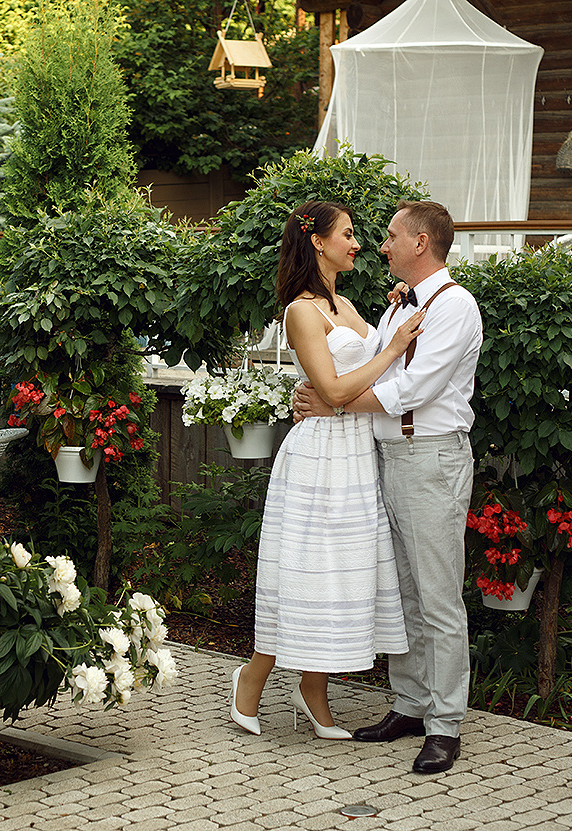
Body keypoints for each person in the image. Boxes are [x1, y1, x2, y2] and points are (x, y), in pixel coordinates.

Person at [293, 199, 483, 773]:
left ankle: (446, 726)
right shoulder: (402, 306)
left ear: (421, 243)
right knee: (402, 592)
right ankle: (411, 704)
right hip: (385, 455)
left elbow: (414, 389)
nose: (382, 245)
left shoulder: (455, 307)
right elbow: (373, 367)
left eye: (393, 236)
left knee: (439, 598)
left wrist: (330, 408)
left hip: (430, 461)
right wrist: (337, 398)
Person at [230, 201, 424, 741]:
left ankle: (313, 690)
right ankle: (252, 678)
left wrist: (396, 314)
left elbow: (359, 369)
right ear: (318, 242)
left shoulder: (349, 304)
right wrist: (394, 350)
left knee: (339, 574)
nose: (358, 243)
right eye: (349, 234)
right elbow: (337, 389)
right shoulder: (300, 311)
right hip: (318, 458)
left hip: (357, 453)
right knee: (300, 571)